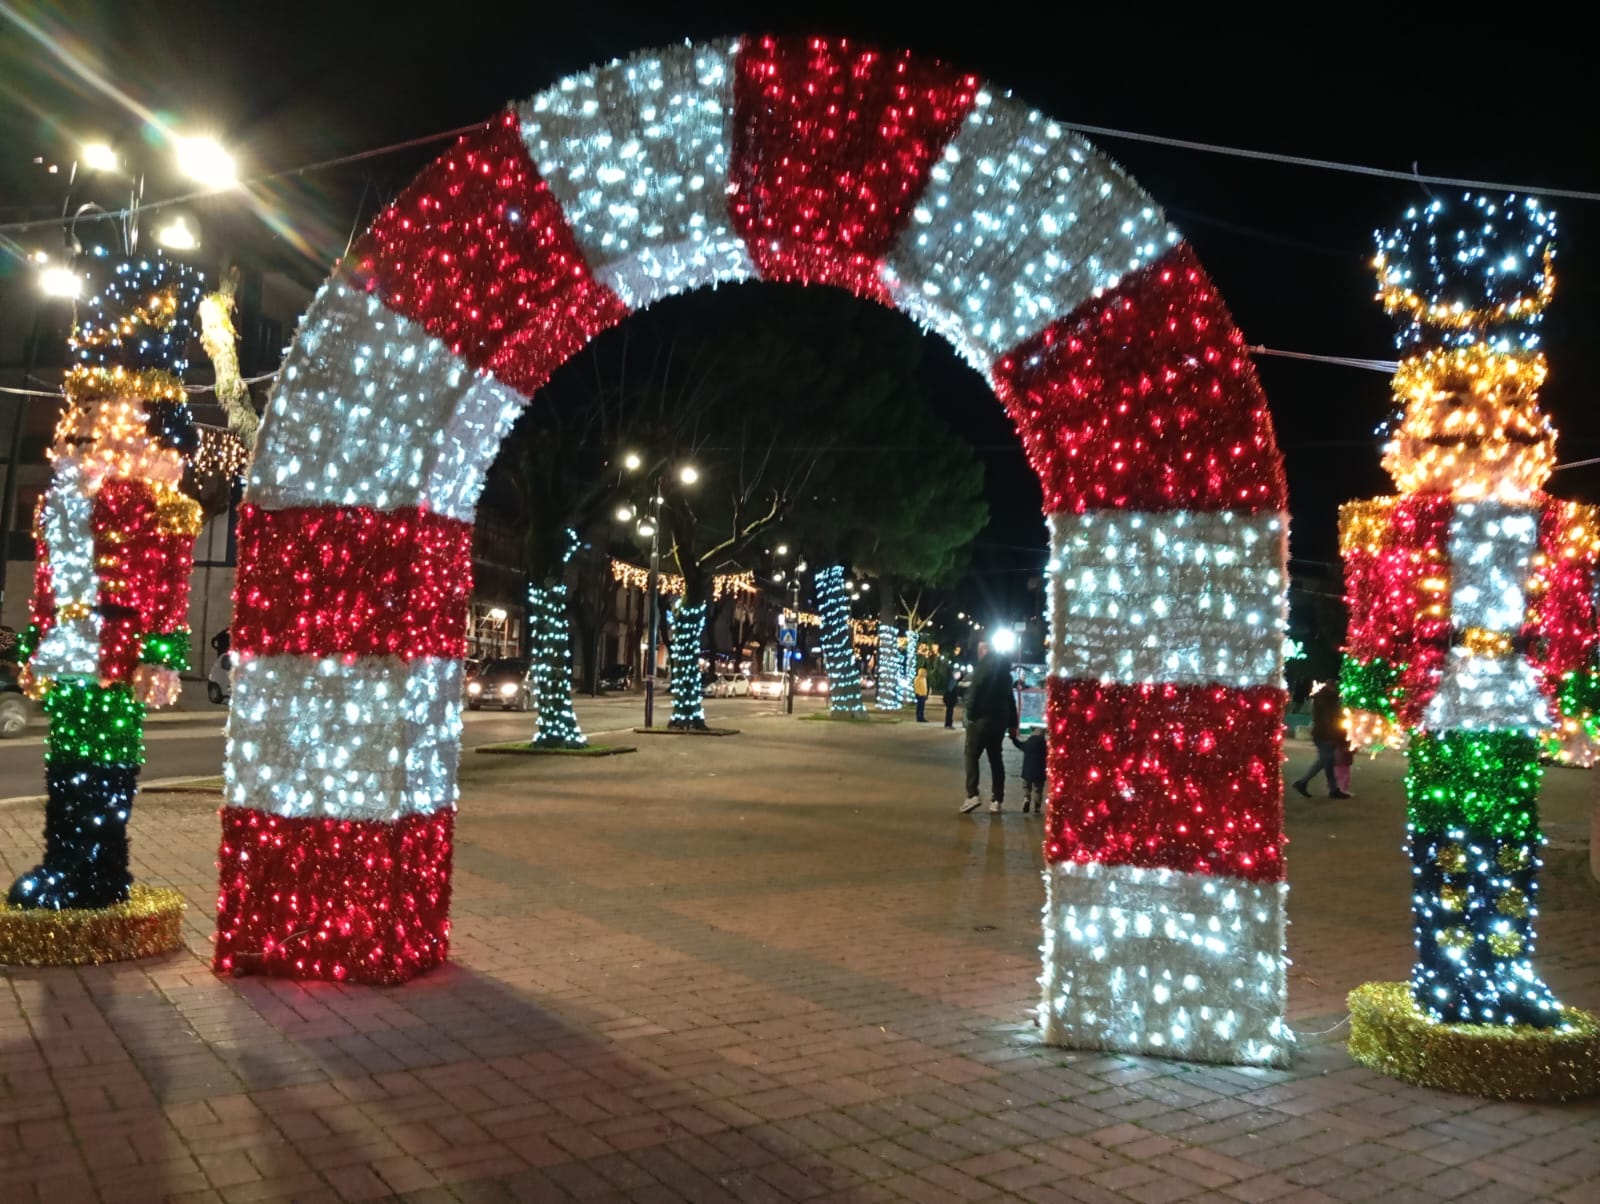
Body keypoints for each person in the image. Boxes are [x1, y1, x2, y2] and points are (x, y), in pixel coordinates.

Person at [960, 644, 1019, 814]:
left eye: (981, 649)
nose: (979, 653)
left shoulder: (983, 668)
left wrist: (970, 715)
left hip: (981, 720)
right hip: (999, 722)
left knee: (971, 754)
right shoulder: (1006, 675)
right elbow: (1010, 701)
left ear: (986, 651)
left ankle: (972, 795)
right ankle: (997, 799)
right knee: (996, 759)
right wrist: (1013, 723)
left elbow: (974, 692)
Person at [1291, 681, 1351, 799]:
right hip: (1326, 735)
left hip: (1321, 734)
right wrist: (1335, 736)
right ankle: (1302, 782)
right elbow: (1330, 721)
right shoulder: (1329, 702)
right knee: (1324, 761)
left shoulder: (1322, 699)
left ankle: (1333, 789)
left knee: (1329, 762)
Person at [1012, 727, 1046, 813]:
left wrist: (1013, 738)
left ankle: (1026, 798)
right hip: (1040, 773)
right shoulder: (1045, 745)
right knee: (1038, 790)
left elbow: (1019, 744)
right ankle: (1037, 807)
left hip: (1027, 772)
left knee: (1026, 787)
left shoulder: (1028, 743)